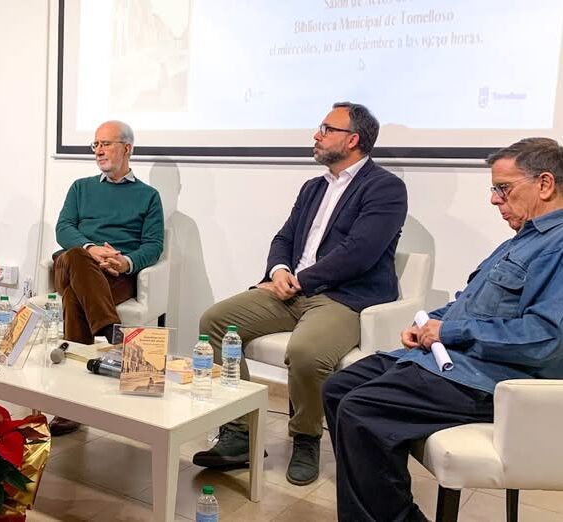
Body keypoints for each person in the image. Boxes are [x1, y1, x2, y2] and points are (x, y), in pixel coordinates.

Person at [323, 137, 563, 522]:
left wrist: (449, 333)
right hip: (453, 359)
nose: (494, 200)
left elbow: (544, 339)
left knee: (360, 411)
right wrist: (428, 324)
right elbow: (469, 304)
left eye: (503, 188)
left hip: (494, 379)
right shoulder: (521, 240)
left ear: (545, 184)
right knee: (338, 388)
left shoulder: (558, 246)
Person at [192, 102, 408, 486]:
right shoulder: (313, 187)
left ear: (353, 139)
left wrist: (300, 280)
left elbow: (359, 253)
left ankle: (306, 437)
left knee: (306, 353)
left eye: (326, 129)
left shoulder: (386, 188)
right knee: (215, 322)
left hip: (344, 296)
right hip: (290, 289)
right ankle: (239, 431)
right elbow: (285, 237)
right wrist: (278, 271)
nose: (316, 135)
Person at [49, 120, 165, 436]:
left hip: (115, 275)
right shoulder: (81, 187)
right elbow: (63, 229)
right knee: (75, 255)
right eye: (96, 145)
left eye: (106, 144)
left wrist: (125, 262)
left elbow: (154, 246)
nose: (99, 151)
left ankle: (71, 405)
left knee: (74, 297)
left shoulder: (148, 196)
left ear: (127, 148)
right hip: (73, 264)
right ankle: (114, 335)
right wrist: (91, 249)